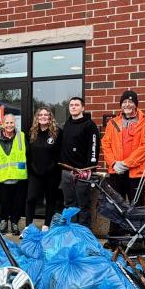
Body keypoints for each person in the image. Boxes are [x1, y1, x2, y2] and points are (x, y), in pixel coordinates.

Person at [101, 90, 145, 209]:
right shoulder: (113, 123)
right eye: (124, 102)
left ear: (136, 104)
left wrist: (126, 163)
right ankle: (116, 229)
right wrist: (113, 163)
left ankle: (134, 228)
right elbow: (105, 144)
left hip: (136, 172)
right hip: (116, 171)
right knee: (115, 207)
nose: (127, 104)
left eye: (130, 101)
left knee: (136, 207)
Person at [59, 96, 100, 227]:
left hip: (82, 172)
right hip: (67, 172)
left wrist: (89, 169)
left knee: (83, 205)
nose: (74, 107)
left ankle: (83, 233)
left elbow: (94, 148)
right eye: (71, 105)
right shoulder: (67, 124)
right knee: (69, 204)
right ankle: (71, 231)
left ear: (82, 108)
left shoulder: (90, 125)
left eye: (77, 105)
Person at [0, 113, 28, 236]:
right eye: (7, 123)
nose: (9, 125)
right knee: (4, 202)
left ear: (15, 123)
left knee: (17, 202)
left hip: (18, 175)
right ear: (2, 124)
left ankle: (15, 222)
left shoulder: (21, 136)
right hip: (2, 176)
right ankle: (4, 222)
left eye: (11, 122)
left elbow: (27, 154)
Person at [25, 107, 62, 231]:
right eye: (40, 115)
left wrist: (51, 168)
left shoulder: (57, 133)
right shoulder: (32, 133)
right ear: (37, 117)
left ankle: (46, 224)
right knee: (31, 198)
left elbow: (59, 154)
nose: (43, 117)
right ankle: (28, 226)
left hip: (52, 173)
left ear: (50, 117)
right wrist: (33, 168)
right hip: (35, 173)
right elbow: (28, 154)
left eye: (46, 114)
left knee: (50, 199)